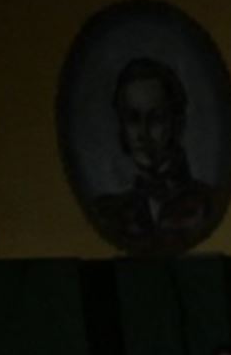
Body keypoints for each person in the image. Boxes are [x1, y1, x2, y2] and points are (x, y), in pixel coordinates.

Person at [91, 56, 217, 250]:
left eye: (155, 118)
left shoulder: (209, 204)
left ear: (177, 124)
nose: (143, 133)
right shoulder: (108, 213)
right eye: (133, 119)